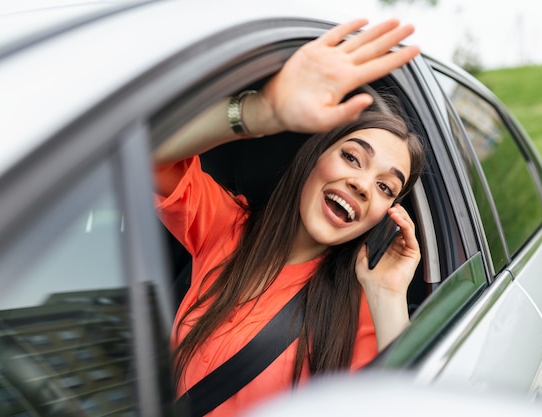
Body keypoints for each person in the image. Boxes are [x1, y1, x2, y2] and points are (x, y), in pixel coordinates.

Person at [153, 18, 424, 417]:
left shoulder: (363, 314)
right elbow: (148, 157)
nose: (365, 186)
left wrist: (387, 296)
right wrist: (260, 111)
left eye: (386, 187)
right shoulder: (228, 227)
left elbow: (403, 408)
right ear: (314, 158)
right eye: (352, 157)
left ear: (385, 215)